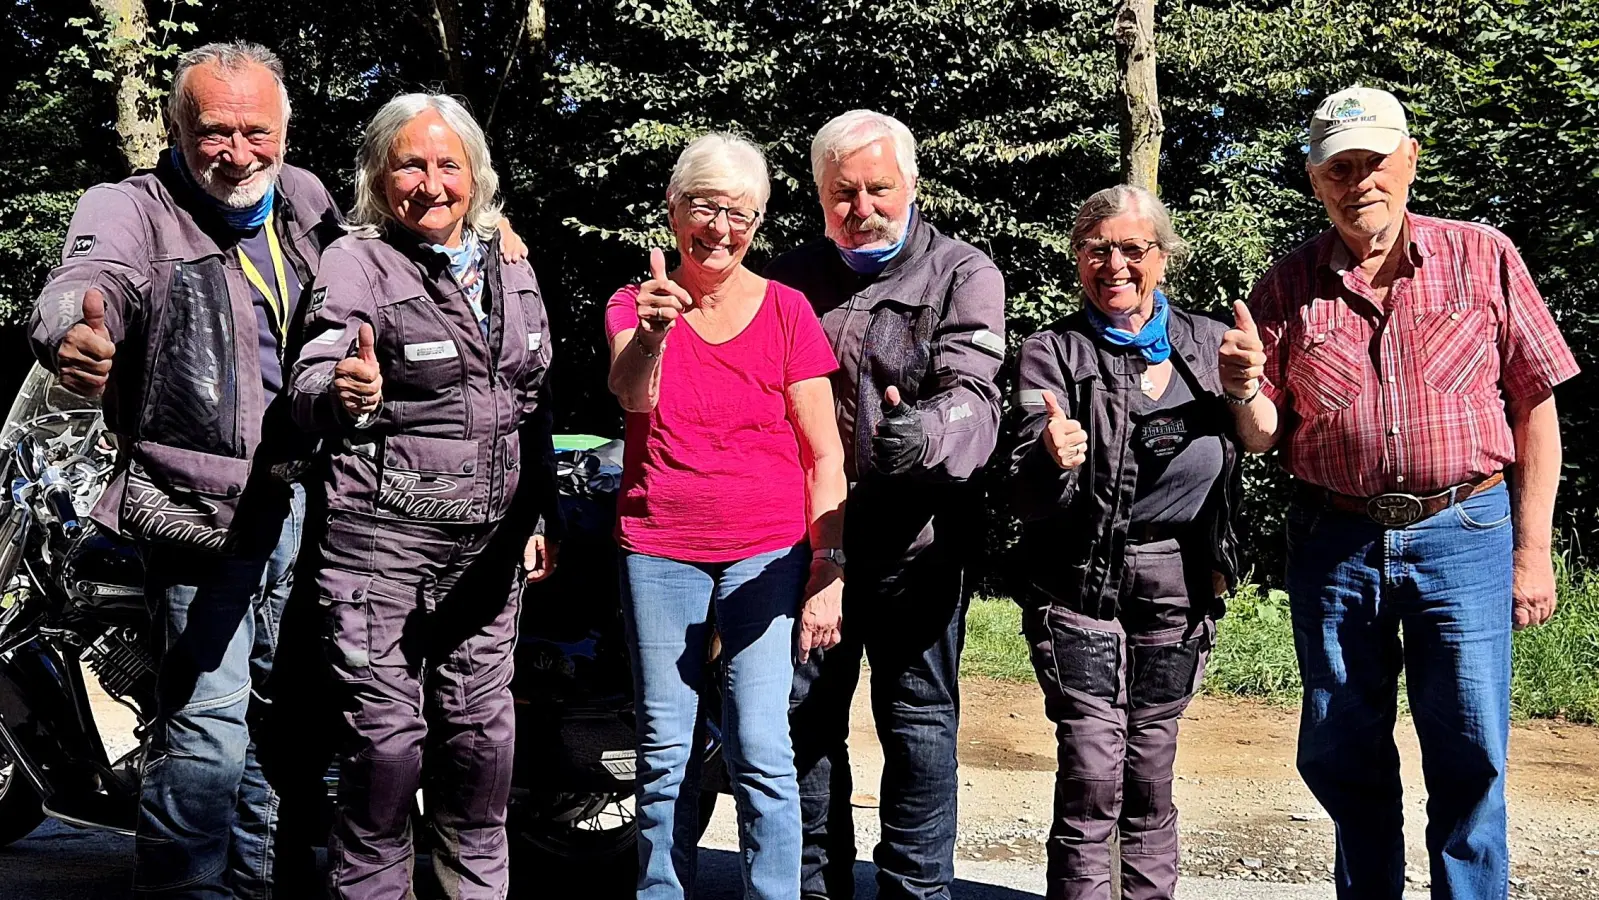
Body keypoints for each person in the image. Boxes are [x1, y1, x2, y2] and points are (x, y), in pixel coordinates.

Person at [1223, 86, 1580, 899]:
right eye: (1339, 168)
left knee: (1470, 753)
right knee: (1343, 756)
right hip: (1334, 545)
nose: (1360, 182)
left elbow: (1535, 409)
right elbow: (1263, 436)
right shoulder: (1284, 287)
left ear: (1408, 160)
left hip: (1465, 533)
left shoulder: (1483, 256)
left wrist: (1532, 552)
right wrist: (1245, 388)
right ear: (1315, 181)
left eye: (1374, 162)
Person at [27, 42, 341, 900]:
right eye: (213, 131)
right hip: (196, 509)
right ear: (175, 127)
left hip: (311, 500)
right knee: (206, 734)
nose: (236, 154)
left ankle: (251, 888)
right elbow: (87, 279)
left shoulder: (309, 199)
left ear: (284, 128)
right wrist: (71, 336)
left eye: (256, 132)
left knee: (281, 732)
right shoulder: (132, 206)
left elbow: (364, 290)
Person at [286, 93, 560, 900]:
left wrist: (536, 511)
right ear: (377, 174)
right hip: (382, 546)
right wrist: (344, 389)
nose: (432, 183)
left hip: (489, 552)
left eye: (449, 164)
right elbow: (314, 369)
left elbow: (531, 400)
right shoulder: (356, 261)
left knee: (481, 748)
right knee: (386, 748)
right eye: (411, 162)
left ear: (475, 175)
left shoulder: (509, 260)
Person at [766, 110, 1007, 900]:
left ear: (911, 185)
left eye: (877, 188)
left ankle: (915, 891)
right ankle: (813, 889)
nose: (861, 205)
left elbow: (975, 395)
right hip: (809, 546)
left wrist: (924, 432)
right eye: (842, 193)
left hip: (918, 545)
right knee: (805, 726)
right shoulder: (788, 277)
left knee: (918, 725)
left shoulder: (962, 271)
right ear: (818, 196)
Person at [604, 132, 847, 900]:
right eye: (703, 207)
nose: (719, 228)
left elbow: (825, 453)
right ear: (673, 212)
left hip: (767, 555)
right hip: (660, 547)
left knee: (759, 744)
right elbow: (631, 394)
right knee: (663, 748)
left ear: (759, 221)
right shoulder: (634, 302)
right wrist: (652, 334)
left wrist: (826, 569)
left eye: (739, 213)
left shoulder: (787, 310)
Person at [1009, 185, 1240, 900]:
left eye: (1132, 248)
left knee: (1148, 775)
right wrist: (1047, 454)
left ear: (1161, 260)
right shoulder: (1050, 351)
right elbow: (1018, 492)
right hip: (1077, 584)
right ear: (1076, 259)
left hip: (1178, 586)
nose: (1113, 264)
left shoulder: (1208, 345)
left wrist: (1251, 387)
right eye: (1095, 249)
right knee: (1092, 774)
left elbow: (1261, 438)